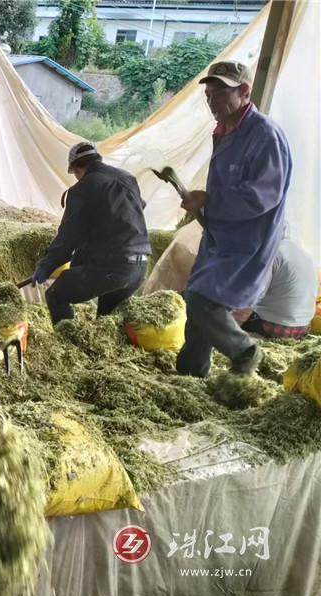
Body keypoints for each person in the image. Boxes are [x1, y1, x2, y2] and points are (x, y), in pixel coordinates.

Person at [177, 61, 292, 378]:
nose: (212, 100)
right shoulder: (225, 133)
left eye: (219, 93)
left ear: (244, 92)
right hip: (220, 237)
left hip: (246, 242)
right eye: (209, 94)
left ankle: (245, 350)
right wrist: (204, 202)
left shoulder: (265, 136)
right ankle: (190, 377)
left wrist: (210, 200)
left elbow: (261, 196)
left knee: (203, 300)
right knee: (197, 306)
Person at [31, 142, 151, 325]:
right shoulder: (127, 178)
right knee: (106, 322)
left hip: (113, 267)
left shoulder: (84, 187)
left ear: (77, 169)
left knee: (57, 294)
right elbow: (137, 208)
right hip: (139, 267)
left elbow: (68, 236)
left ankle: (68, 345)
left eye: (75, 174)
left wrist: (46, 265)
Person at [233, 237, 316, 339]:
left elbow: (249, 300)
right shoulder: (302, 253)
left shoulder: (269, 254)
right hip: (303, 327)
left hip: (277, 327)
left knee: (224, 317)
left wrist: (228, 327)